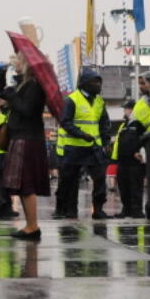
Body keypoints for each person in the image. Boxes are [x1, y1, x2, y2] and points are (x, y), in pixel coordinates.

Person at [0, 61, 48, 241]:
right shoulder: (23, 85)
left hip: (28, 138)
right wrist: (1, 78)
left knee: (27, 185)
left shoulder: (34, 86)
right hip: (20, 136)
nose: (14, 62)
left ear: (27, 64)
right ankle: (30, 225)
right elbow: (6, 99)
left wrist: (12, 95)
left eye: (18, 59)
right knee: (22, 186)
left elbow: (26, 109)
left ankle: (32, 226)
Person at [56, 67, 111, 220]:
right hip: (75, 147)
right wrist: (81, 135)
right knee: (70, 181)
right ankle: (70, 210)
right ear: (85, 83)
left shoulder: (99, 101)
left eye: (100, 82)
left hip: (94, 147)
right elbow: (65, 122)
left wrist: (106, 142)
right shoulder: (72, 100)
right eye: (95, 82)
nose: (99, 85)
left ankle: (98, 210)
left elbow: (104, 124)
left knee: (100, 178)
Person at [110, 100, 144, 218]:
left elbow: (143, 140)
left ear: (133, 109)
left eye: (127, 108)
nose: (125, 111)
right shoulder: (123, 125)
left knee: (135, 187)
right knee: (123, 187)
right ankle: (126, 210)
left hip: (134, 163)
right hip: (122, 162)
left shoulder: (139, 124)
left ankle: (137, 211)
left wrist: (140, 152)